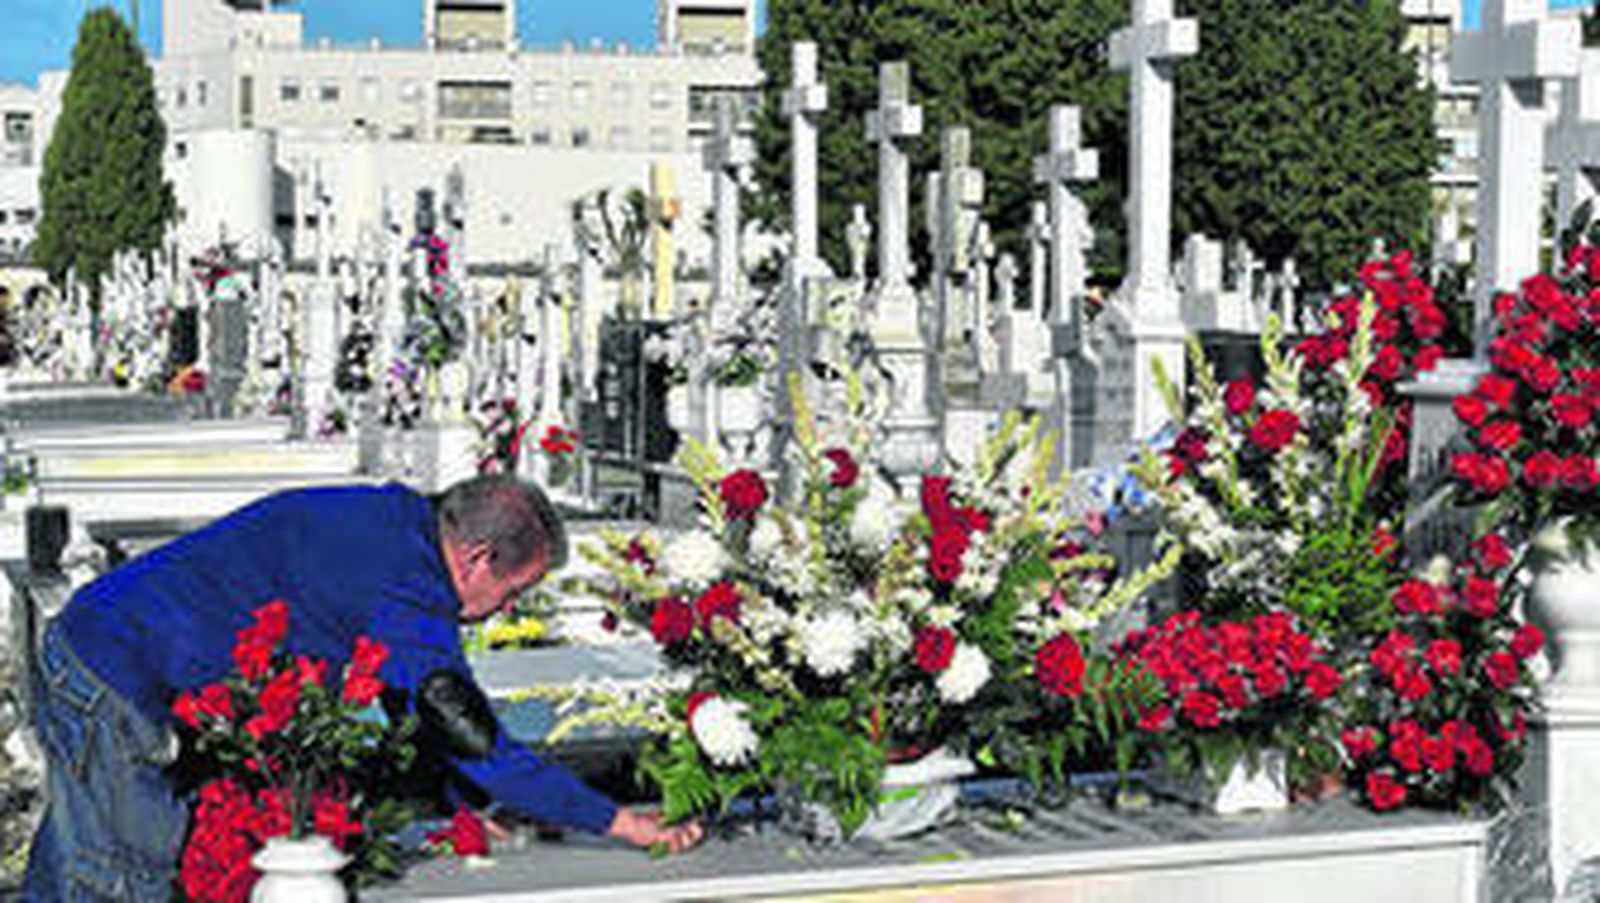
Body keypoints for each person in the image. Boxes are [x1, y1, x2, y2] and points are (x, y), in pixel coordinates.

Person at [23, 475, 701, 901]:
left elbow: (415, 706)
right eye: (514, 590)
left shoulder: (393, 524)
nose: (508, 609)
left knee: (70, 871)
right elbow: (466, 731)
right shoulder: (407, 587)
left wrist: (469, 804)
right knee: (116, 879)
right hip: (116, 679)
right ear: (477, 558)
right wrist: (618, 821)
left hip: (93, 650)